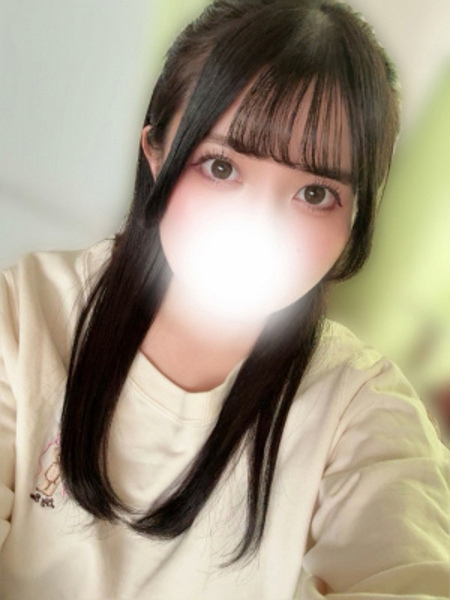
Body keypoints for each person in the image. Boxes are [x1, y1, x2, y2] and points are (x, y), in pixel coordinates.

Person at [0, 0, 449, 598]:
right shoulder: (23, 317)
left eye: (316, 193)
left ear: (355, 218)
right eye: (220, 167)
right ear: (155, 151)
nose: (260, 225)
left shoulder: (360, 411)